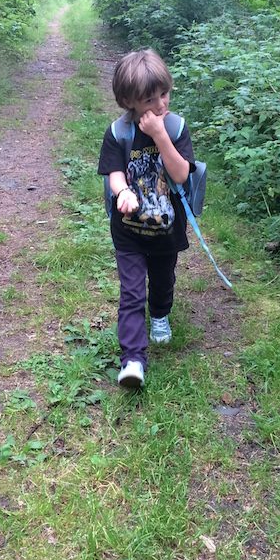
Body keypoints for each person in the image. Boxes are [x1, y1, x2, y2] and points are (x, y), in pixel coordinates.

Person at [97, 49, 195, 389]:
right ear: (128, 100)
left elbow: (181, 174)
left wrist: (159, 135)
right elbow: (113, 173)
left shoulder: (175, 127)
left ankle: (160, 315)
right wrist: (122, 191)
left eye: (164, 94)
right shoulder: (118, 133)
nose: (160, 104)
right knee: (131, 292)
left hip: (166, 229)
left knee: (163, 281)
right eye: (149, 99)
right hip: (129, 232)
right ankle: (133, 360)